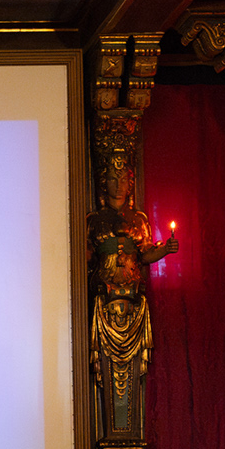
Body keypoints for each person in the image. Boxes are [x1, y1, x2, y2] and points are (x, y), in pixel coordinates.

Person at [88, 154, 176, 433]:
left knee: (135, 371)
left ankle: (127, 436)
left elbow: (146, 254)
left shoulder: (138, 219)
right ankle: (114, 436)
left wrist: (165, 250)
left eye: (123, 179)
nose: (118, 185)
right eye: (112, 180)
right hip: (104, 303)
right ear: (104, 184)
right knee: (104, 370)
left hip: (134, 303)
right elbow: (86, 256)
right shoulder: (95, 220)